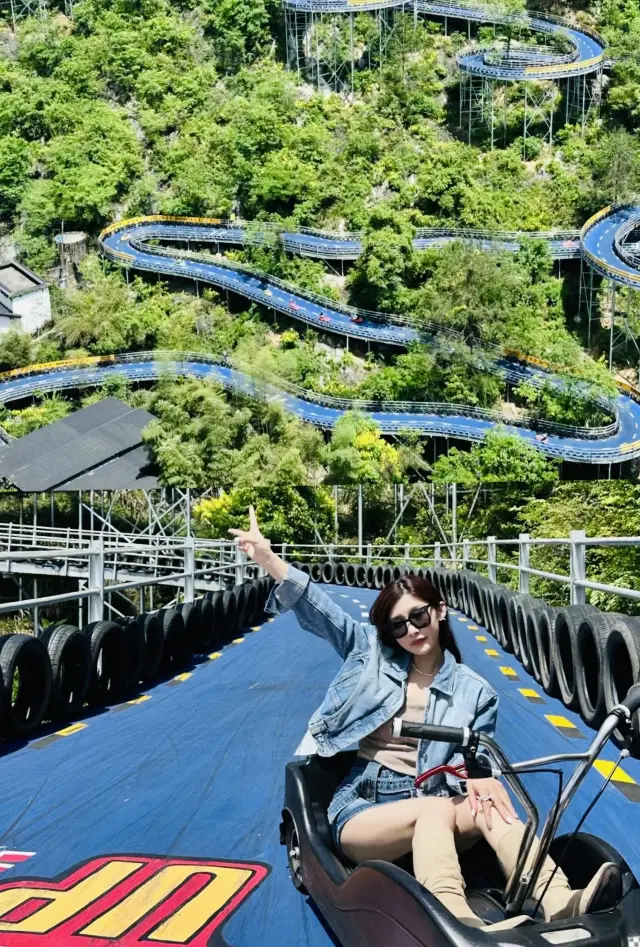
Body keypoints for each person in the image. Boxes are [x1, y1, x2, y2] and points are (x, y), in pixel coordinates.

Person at [229, 508, 621, 931]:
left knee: (494, 807)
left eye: (418, 616)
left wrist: (482, 779)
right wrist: (268, 558)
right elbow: (320, 609)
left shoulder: (475, 691)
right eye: (399, 625)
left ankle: (560, 900)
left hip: (434, 793)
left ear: (440, 611)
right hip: (366, 802)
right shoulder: (370, 654)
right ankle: (456, 917)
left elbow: (479, 761)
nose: (412, 630)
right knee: (433, 811)